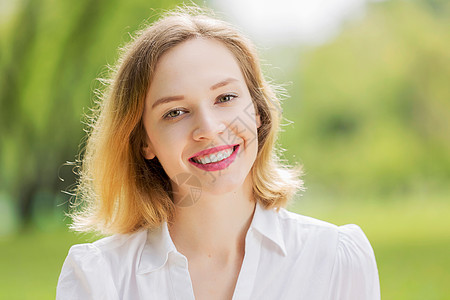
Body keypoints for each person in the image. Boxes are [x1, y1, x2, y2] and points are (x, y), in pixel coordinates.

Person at [56, 5, 380, 300]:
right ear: (145, 142)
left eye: (225, 98)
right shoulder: (100, 279)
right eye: (175, 112)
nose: (209, 129)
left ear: (257, 110)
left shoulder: (335, 259)